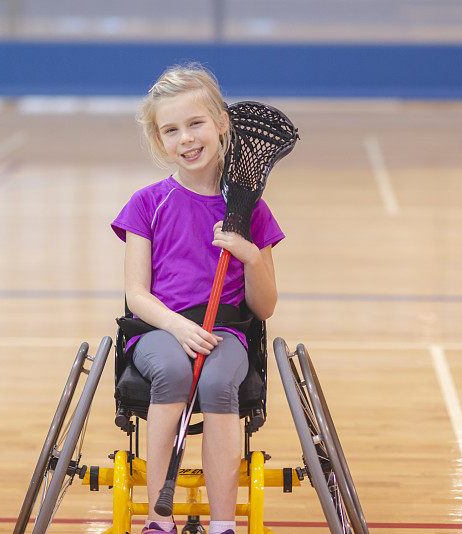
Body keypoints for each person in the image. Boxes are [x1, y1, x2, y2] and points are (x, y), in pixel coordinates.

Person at [110, 63, 284, 534]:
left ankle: (224, 524)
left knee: (217, 379)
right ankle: (159, 521)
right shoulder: (146, 204)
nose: (186, 138)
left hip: (226, 331)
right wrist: (177, 326)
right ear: (159, 140)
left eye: (195, 123)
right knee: (172, 369)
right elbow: (136, 294)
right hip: (159, 329)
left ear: (221, 124)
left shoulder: (249, 211)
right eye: (171, 130)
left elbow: (265, 306)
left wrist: (250, 255)